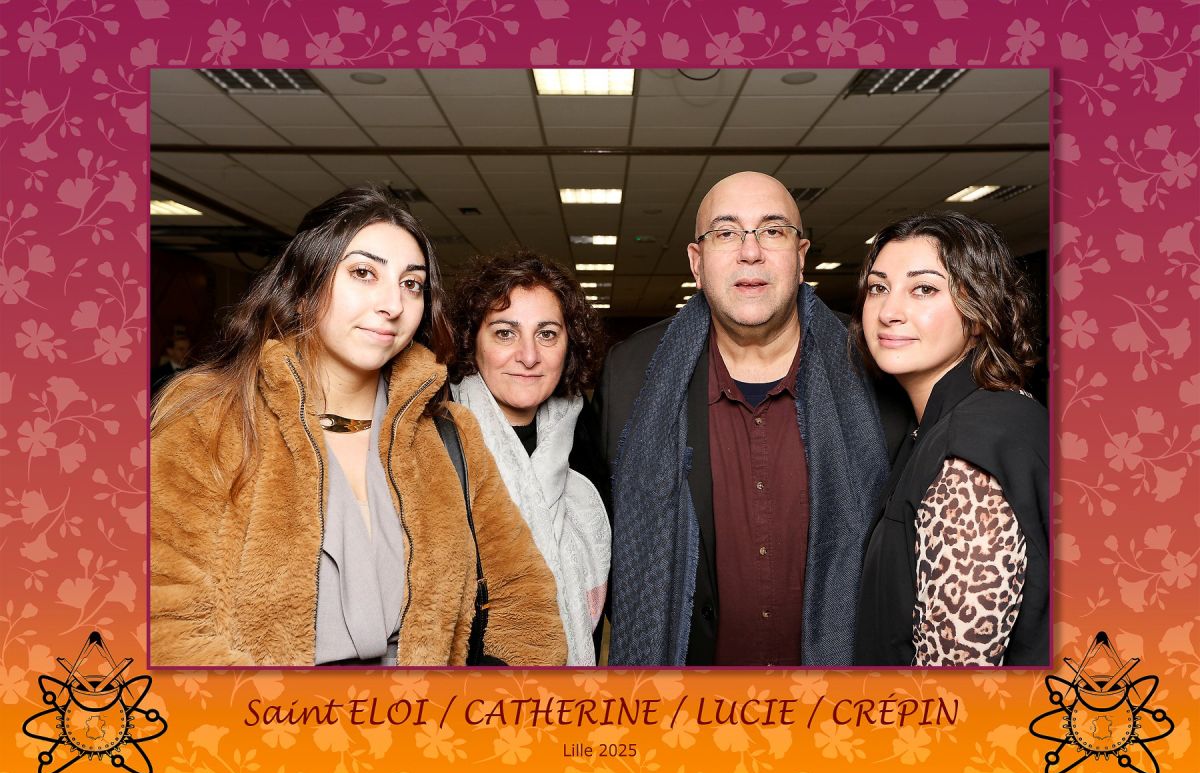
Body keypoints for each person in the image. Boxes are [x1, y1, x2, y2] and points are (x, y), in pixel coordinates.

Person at [150, 185, 566, 667]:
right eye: (364, 273)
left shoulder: (449, 434)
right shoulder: (208, 420)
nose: (393, 304)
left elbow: (525, 600)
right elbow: (164, 625)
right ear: (304, 288)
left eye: (411, 284)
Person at [597, 171, 893, 667]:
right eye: (726, 233)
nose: (750, 252)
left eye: (772, 231)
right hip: (687, 701)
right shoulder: (631, 375)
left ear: (801, 258)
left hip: (846, 701)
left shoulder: (874, 367)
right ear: (697, 262)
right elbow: (599, 543)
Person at [852, 211, 1048, 666]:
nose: (889, 312)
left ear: (979, 312)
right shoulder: (988, 411)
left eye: (923, 289)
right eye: (878, 288)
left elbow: (956, 676)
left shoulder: (968, 455)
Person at [444, 252, 610, 666]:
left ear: (569, 345)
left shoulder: (588, 445)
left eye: (547, 334)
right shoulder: (434, 445)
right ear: (471, 341)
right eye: (505, 333)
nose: (529, 355)